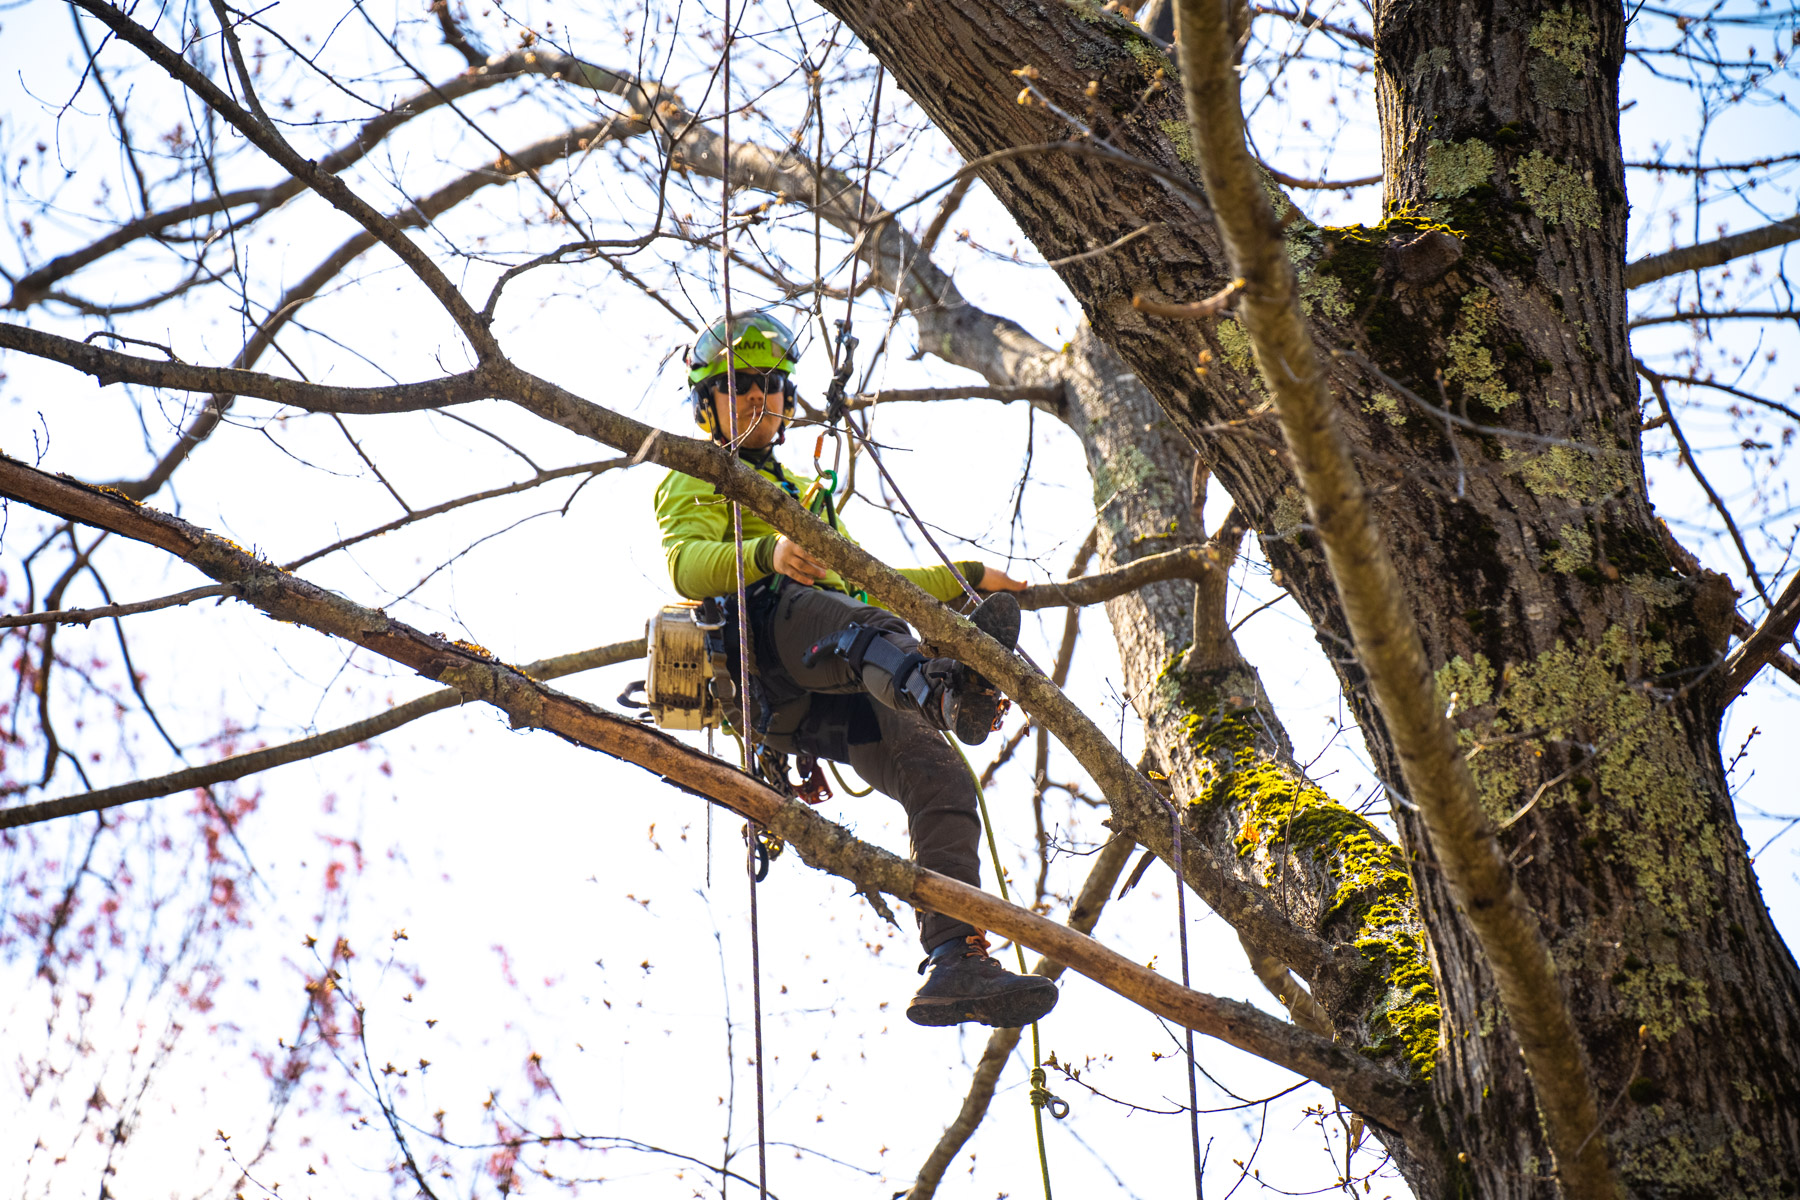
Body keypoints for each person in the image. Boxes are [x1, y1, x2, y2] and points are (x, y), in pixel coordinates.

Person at [653, 309, 1059, 1029]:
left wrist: (967, 580)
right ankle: (942, 689)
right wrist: (765, 555)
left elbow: (868, 583)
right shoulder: (698, 474)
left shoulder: (809, 500)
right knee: (862, 627)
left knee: (937, 775)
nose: (761, 399)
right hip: (768, 650)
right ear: (707, 401)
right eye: (743, 385)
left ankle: (954, 960)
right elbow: (687, 561)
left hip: (833, 681)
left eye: (774, 385)